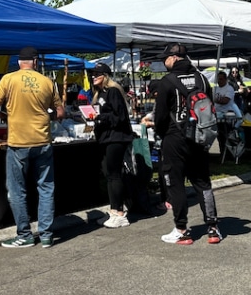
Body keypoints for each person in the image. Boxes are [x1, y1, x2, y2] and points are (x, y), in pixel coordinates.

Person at [0, 46, 64, 249]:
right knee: (46, 188)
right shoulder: (47, 82)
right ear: (35, 62)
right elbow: (60, 112)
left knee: (17, 190)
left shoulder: (8, 79)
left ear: (19, 62)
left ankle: (24, 234)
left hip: (18, 143)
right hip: (42, 141)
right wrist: (45, 116)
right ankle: (46, 235)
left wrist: (6, 116)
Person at [151, 42, 222, 245]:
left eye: (165, 58)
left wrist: (162, 134)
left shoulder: (167, 81)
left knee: (176, 184)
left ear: (174, 58)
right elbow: (210, 106)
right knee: (202, 182)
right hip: (199, 137)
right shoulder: (202, 78)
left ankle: (181, 230)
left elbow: (160, 117)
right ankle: (213, 229)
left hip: (174, 138)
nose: (164, 62)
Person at [85, 63, 137, 228]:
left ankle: (120, 213)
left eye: (97, 74)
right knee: (108, 173)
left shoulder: (113, 91)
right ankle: (113, 210)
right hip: (105, 137)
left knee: (114, 174)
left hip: (116, 138)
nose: (93, 76)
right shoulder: (99, 94)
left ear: (105, 76)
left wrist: (99, 117)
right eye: (92, 74)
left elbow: (119, 116)